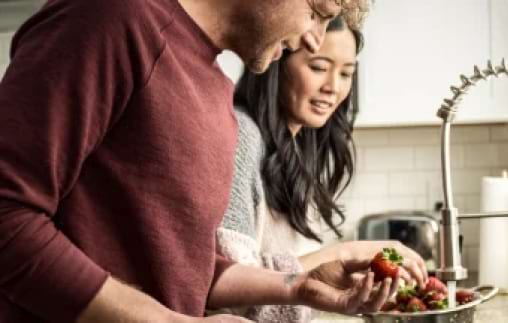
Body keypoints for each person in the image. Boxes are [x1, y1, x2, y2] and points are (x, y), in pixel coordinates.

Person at [0, 0, 378, 322]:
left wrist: (300, 286)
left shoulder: (216, 92)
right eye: (315, 12)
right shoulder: (115, 16)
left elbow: (183, 268)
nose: (313, 38)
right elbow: (8, 214)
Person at [216, 15, 429, 322]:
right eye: (318, 68)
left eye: (346, 73)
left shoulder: (300, 147)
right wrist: (346, 253)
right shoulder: (242, 135)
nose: (333, 87)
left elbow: (286, 286)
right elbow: (228, 284)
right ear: (277, 60)